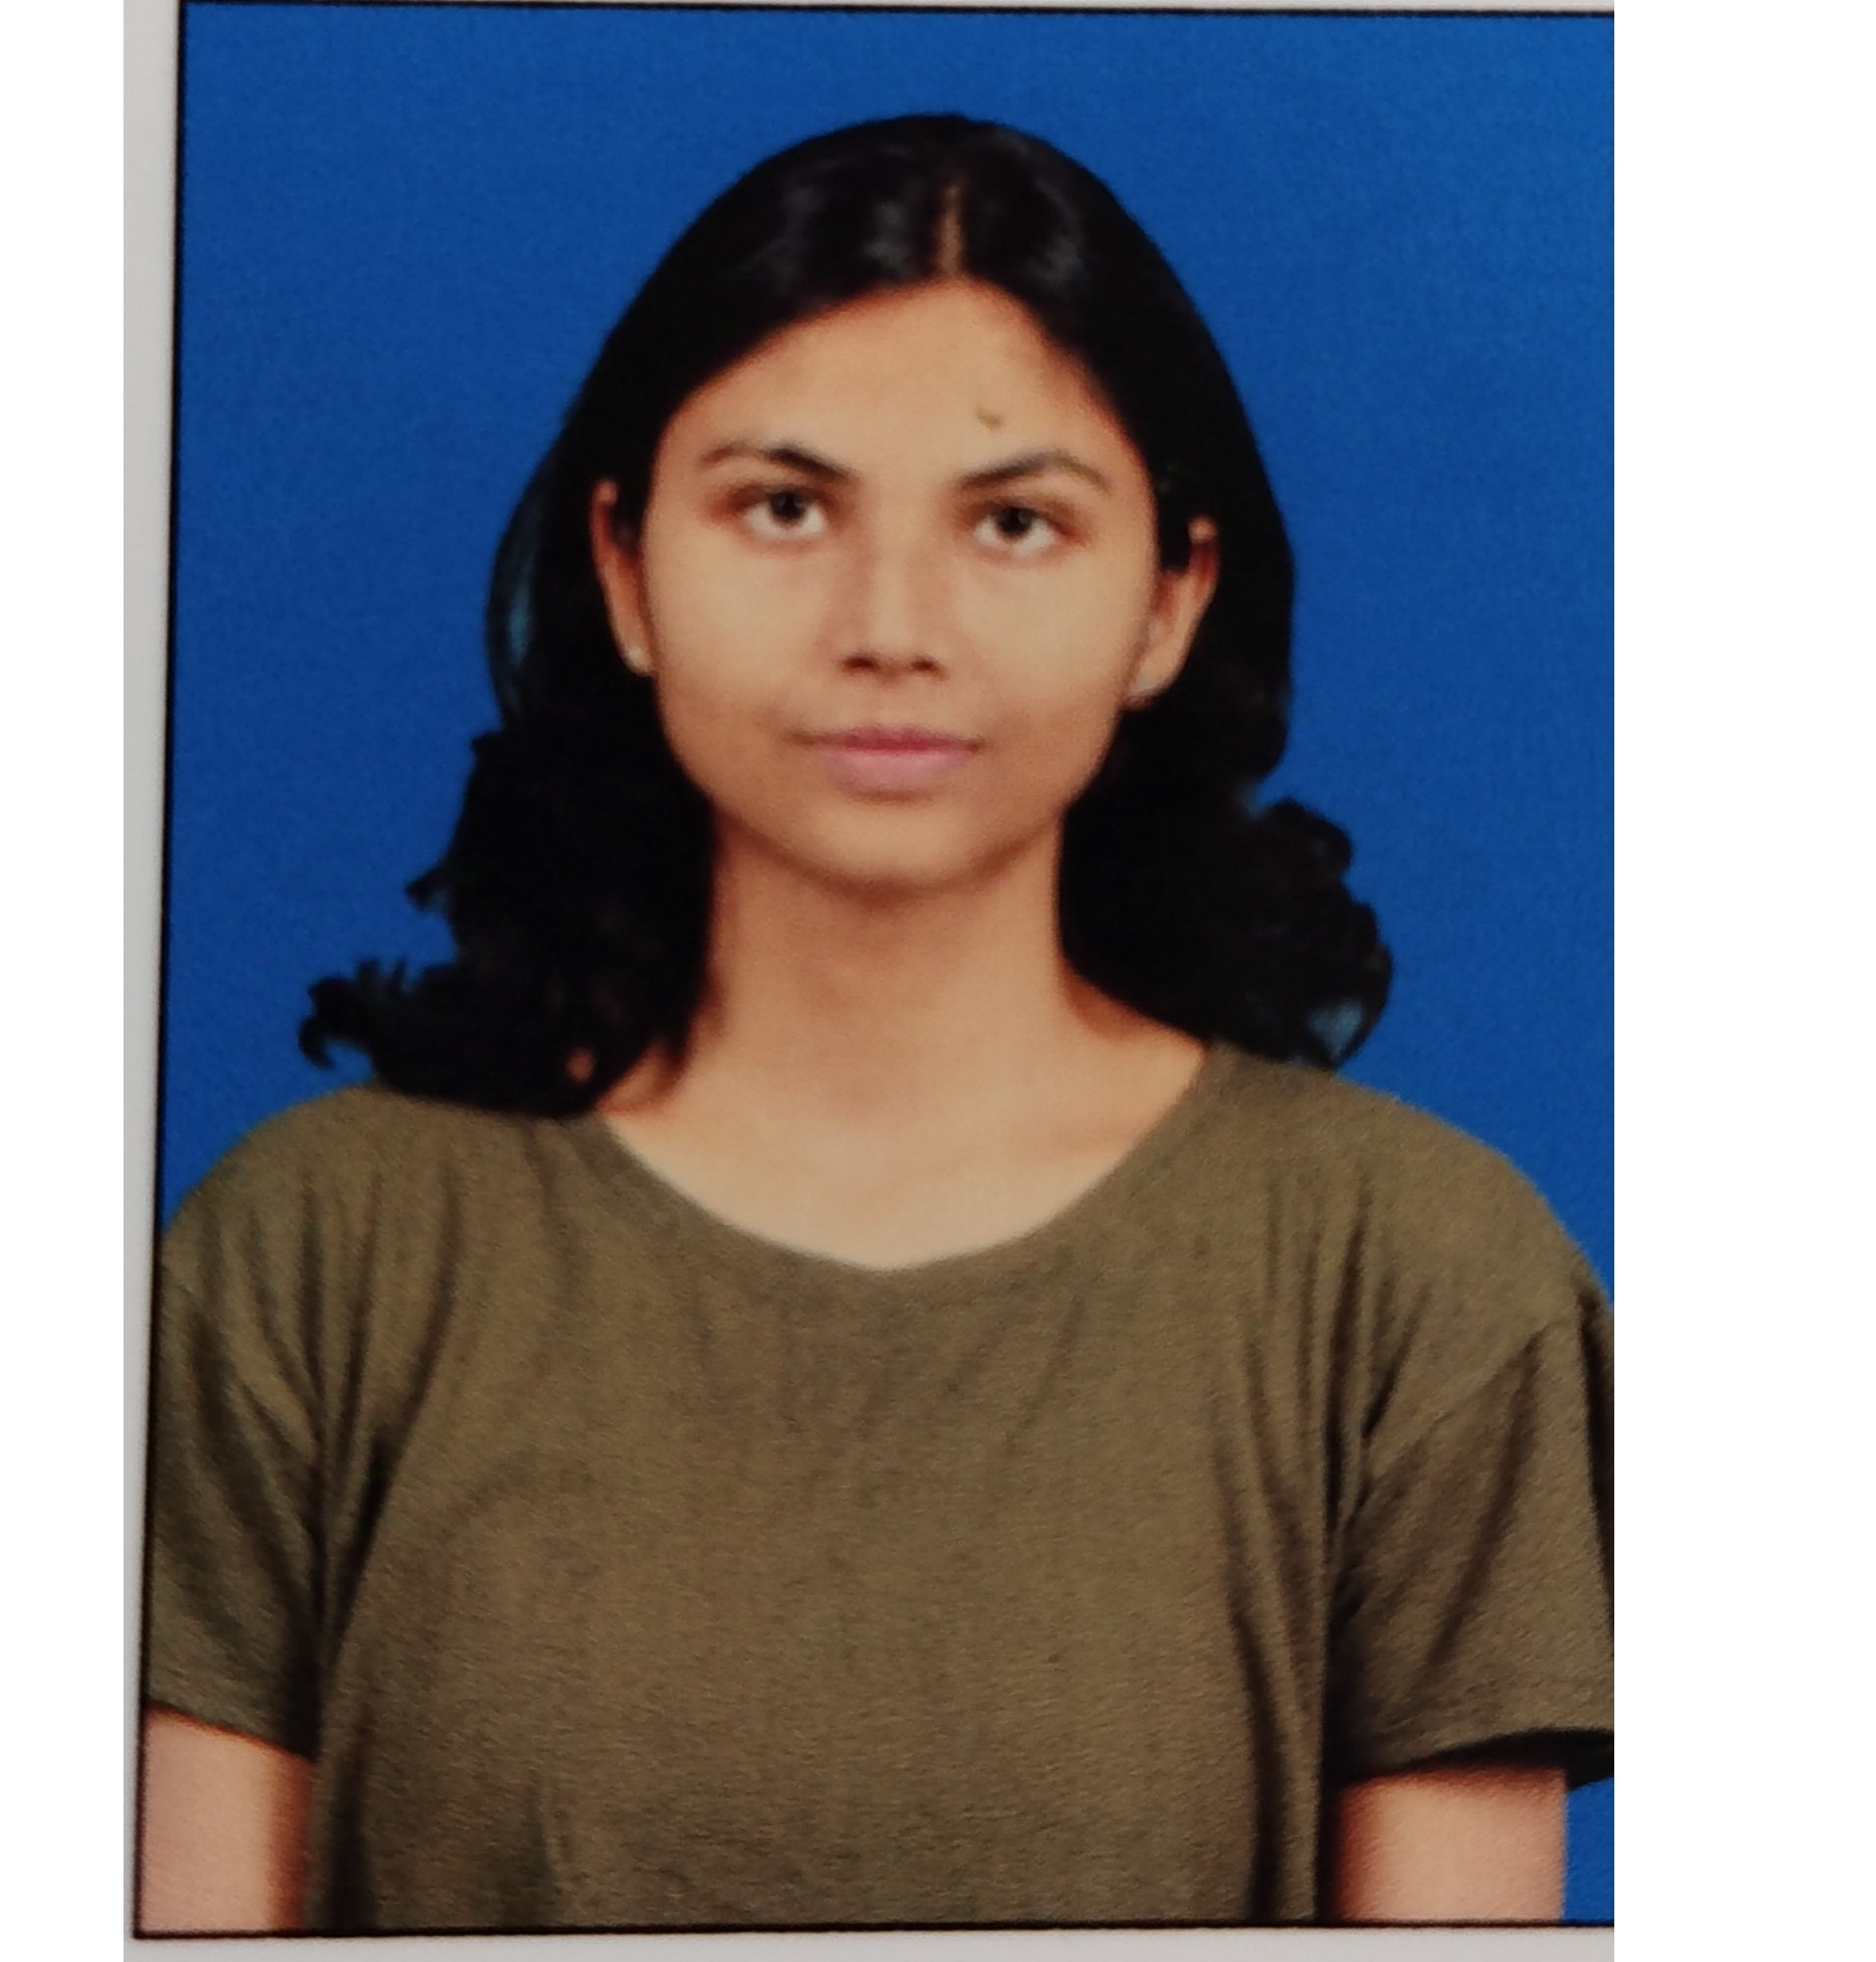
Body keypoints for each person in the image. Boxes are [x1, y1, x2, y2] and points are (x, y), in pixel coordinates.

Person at [136, 115, 1611, 1934]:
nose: (889, 626)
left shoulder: (1422, 1288)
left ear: (1170, 597)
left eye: (1013, 521)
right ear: (623, 566)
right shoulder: (302, 1261)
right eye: (783, 506)